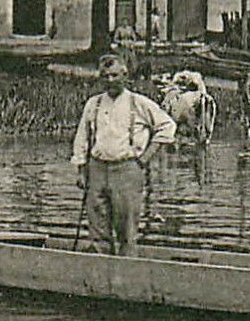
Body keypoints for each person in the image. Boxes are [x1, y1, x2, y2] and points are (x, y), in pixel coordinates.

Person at [71, 53, 176, 255]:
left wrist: (144, 159)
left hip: (127, 170)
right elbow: (82, 138)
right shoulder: (94, 104)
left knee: (126, 230)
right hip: (97, 169)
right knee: (98, 229)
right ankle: (101, 278)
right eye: (105, 76)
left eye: (114, 75)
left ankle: (127, 277)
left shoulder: (139, 103)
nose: (110, 81)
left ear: (125, 75)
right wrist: (81, 171)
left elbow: (167, 127)